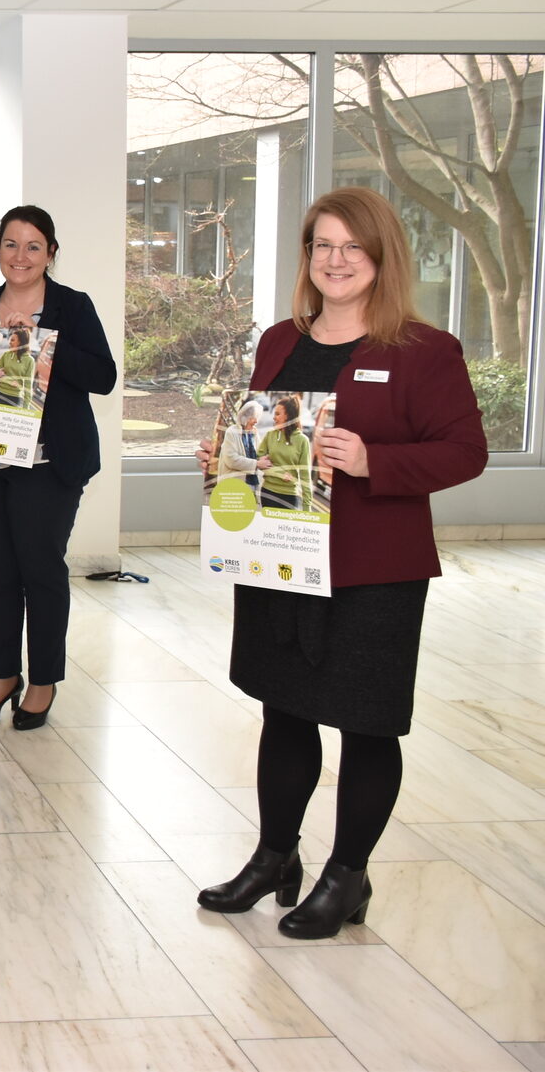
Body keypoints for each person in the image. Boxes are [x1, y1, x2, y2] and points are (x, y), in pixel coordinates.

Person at [195, 187, 485, 938]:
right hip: (280, 556)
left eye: (353, 246)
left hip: (373, 569)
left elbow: (465, 452)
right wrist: (228, 459)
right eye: (322, 245)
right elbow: (269, 440)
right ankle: (274, 858)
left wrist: (371, 459)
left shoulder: (424, 350)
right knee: (283, 707)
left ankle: (347, 876)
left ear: (381, 256)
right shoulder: (278, 341)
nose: (336, 260)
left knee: (367, 722)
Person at [0, 205, 116, 728]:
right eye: (10, 244)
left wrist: (42, 345)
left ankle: (42, 681)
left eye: (33, 246)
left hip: (49, 463)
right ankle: (3, 676)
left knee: (41, 570)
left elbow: (103, 377)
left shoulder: (72, 306)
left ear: (51, 253)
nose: (21, 255)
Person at [257, 394, 313, 510]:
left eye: (277, 414)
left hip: (290, 496)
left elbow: (305, 475)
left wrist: (307, 506)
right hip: (268, 492)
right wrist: (279, 473)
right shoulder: (270, 435)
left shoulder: (302, 441)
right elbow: (257, 460)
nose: (274, 418)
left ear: (288, 416)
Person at [218, 399, 264, 491]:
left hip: (253, 482)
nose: (256, 421)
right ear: (245, 418)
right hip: (234, 485)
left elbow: (260, 452)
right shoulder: (232, 432)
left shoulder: (254, 432)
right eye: (253, 418)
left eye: (257, 418)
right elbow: (231, 459)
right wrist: (256, 464)